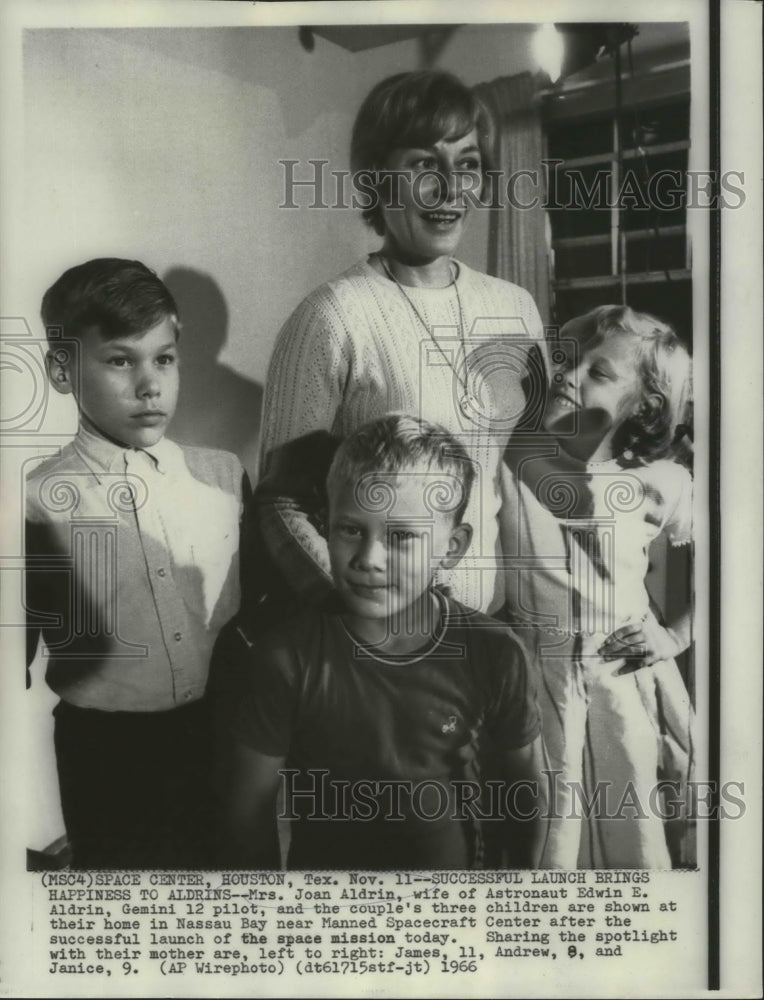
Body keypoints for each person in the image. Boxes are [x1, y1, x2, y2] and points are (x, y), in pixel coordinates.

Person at [254, 70, 547, 621]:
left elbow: (524, 475)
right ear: (375, 180)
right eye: (423, 165)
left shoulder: (516, 306)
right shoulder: (333, 314)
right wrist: (365, 624)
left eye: (467, 164)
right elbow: (281, 506)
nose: (451, 188)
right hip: (381, 638)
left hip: (491, 628)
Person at [216, 415, 547, 870]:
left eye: (401, 536)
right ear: (325, 525)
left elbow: (525, 792)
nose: (369, 560)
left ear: (451, 547)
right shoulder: (285, 658)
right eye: (351, 529)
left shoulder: (495, 652)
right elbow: (248, 818)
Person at [25, 258, 247, 869]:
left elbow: (256, 618)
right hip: (105, 752)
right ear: (62, 370)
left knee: (226, 890)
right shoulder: (35, 499)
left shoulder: (223, 476)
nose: (150, 384)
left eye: (164, 358)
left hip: (219, 735)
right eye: (121, 360)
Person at [499, 305, 695, 868]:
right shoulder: (513, 457)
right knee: (551, 848)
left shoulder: (660, 482)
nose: (569, 375)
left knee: (630, 838)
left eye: (599, 372)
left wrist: (676, 636)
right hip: (535, 679)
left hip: (621, 679)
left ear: (646, 405)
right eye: (567, 360)